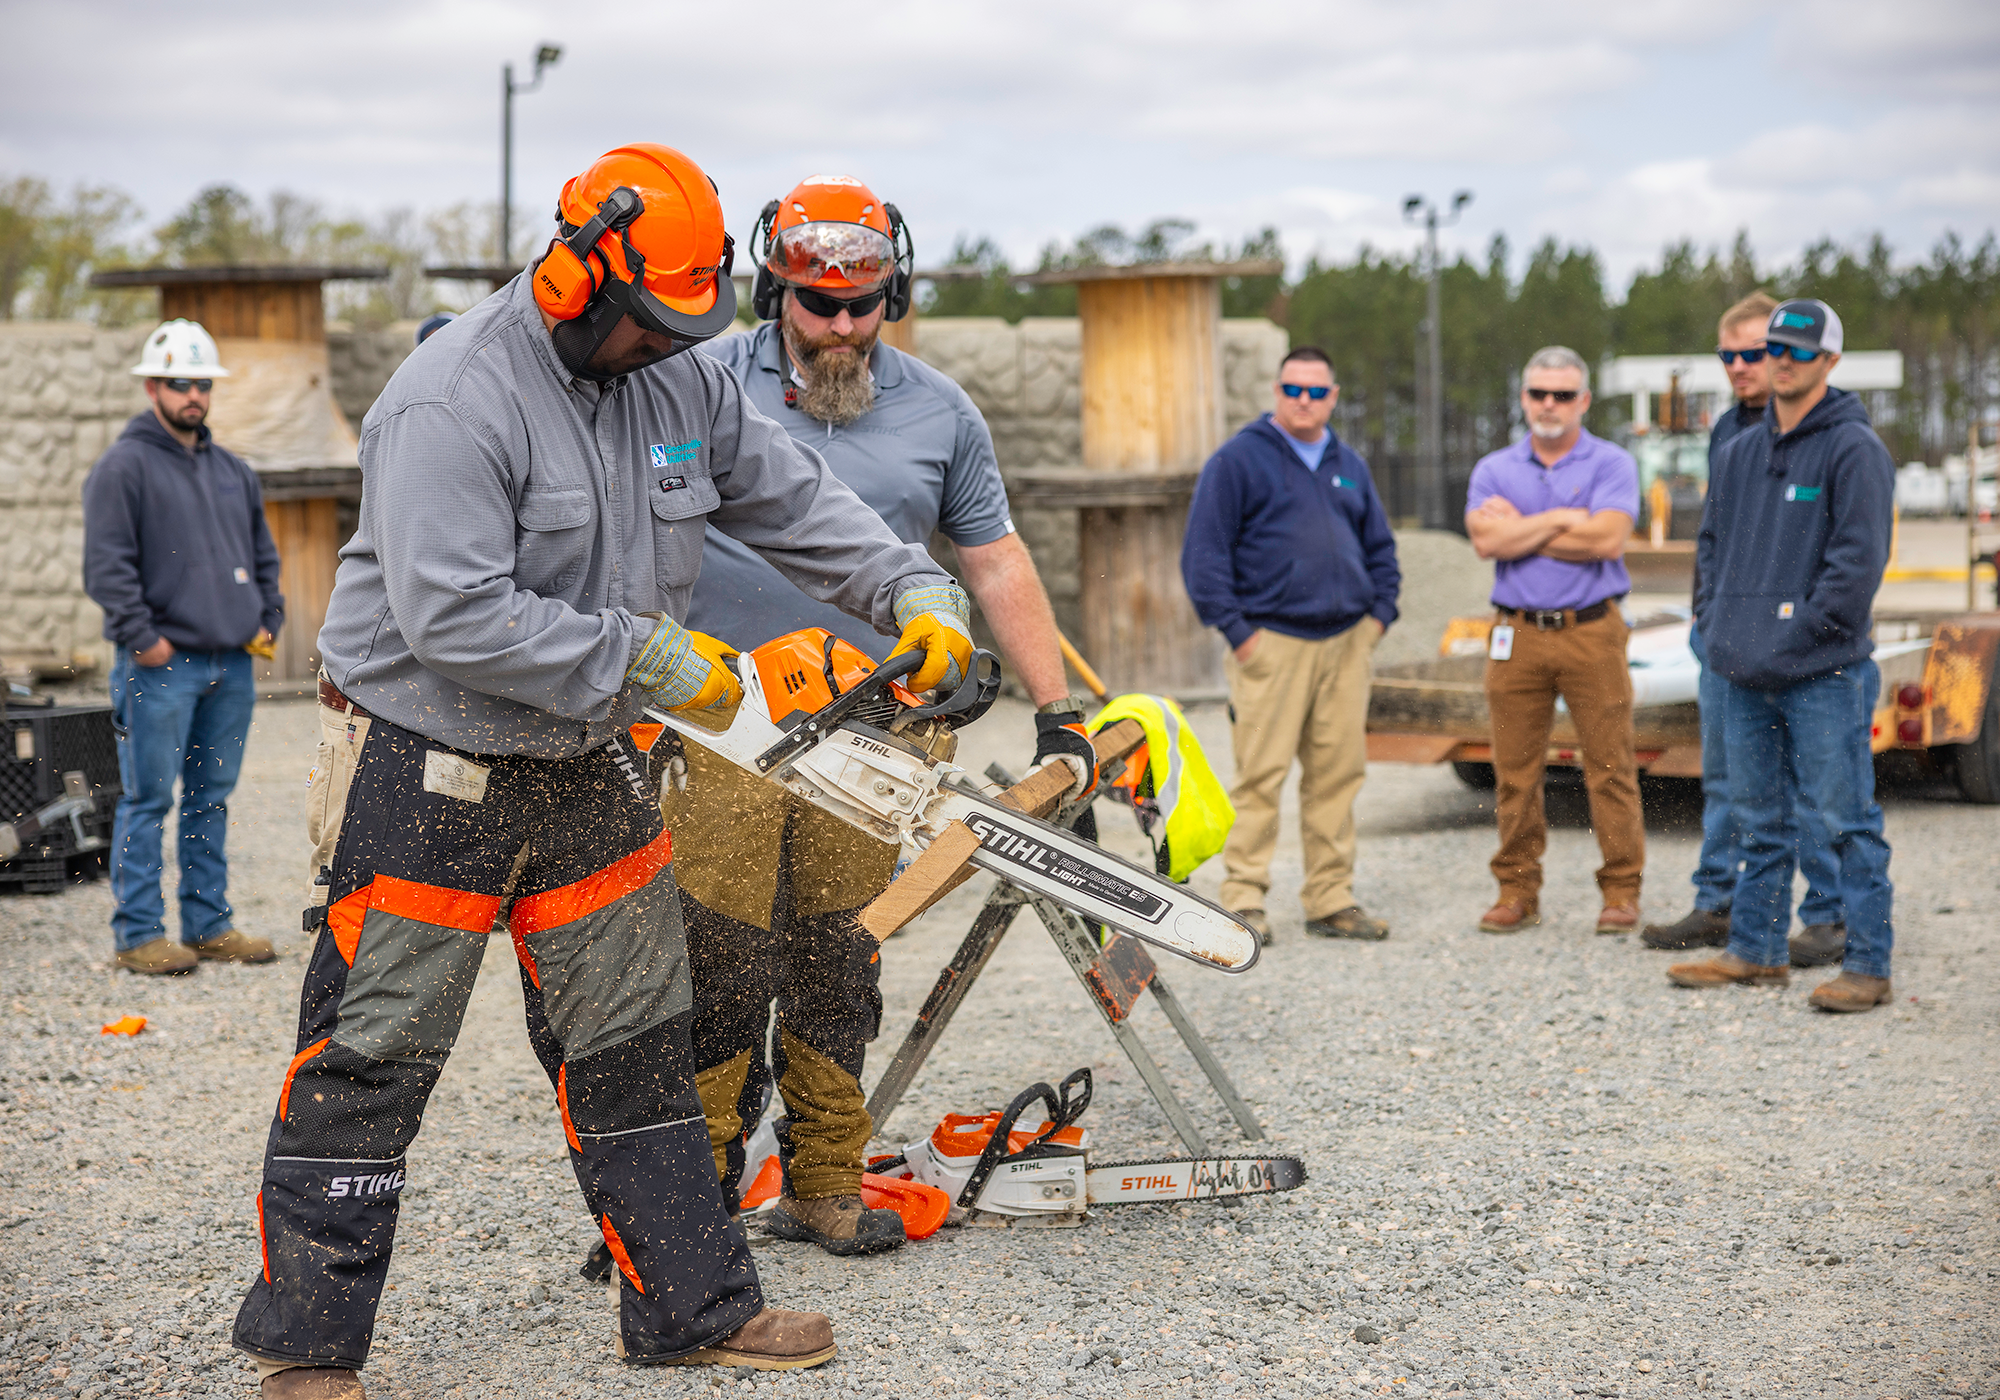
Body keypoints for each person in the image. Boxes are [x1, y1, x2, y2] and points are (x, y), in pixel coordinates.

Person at [231, 144, 975, 1398]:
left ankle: (689, 1307)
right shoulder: (450, 397)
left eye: (685, 324)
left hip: (585, 759)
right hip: (434, 761)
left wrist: (906, 581)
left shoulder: (676, 375)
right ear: (581, 278)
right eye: (645, 321)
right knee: (375, 1049)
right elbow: (452, 614)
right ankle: (307, 1347)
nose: (663, 347)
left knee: (637, 1034)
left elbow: (788, 494)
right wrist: (650, 656)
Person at [677, 174, 1094, 1257]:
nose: (841, 328)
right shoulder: (698, 386)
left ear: (891, 296)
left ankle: (821, 1176)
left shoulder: (939, 410)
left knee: (838, 955)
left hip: (881, 730)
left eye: (863, 307)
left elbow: (992, 558)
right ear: (775, 292)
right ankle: (686, 1203)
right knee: (714, 961)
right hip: (728, 719)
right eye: (818, 306)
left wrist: (1061, 712)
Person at [1670, 299, 1896, 1012]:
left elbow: (1855, 568)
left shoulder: (1854, 449)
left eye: (1799, 352)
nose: (1781, 362)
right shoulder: (1737, 452)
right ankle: (1756, 952)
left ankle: (1867, 963)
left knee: (1844, 820)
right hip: (1741, 672)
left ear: (1830, 361)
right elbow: (1711, 550)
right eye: (1774, 350)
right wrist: (1718, 629)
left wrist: (1794, 642)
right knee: (1756, 821)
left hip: (1822, 674)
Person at [1643, 292, 1846, 961]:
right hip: (1728, 640)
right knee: (1730, 779)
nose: (1741, 366)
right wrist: (1709, 617)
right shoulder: (1728, 432)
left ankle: (1828, 915)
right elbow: (1713, 537)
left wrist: (1811, 628)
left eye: (1756, 352)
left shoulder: (1836, 437)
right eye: (1727, 355)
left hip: (1806, 646)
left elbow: (1849, 550)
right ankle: (1720, 904)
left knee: (1818, 784)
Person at [82, 320, 282, 976]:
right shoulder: (123, 467)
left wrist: (269, 618)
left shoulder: (233, 471)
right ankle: (139, 935)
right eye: (179, 382)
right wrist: (143, 639)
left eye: (202, 383)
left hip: (231, 665)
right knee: (148, 799)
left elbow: (262, 554)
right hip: (163, 668)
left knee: (210, 799)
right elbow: (106, 568)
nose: (193, 393)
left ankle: (208, 926)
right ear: (152, 386)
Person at [1182, 346, 1400, 943]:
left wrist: (1378, 618)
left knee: (1337, 777)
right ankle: (1245, 901)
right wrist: (1240, 636)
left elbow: (1380, 549)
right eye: (1292, 389)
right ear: (1277, 392)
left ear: (1333, 397)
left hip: (1346, 645)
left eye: (1316, 391)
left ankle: (1331, 899)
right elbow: (1204, 557)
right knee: (1260, 777)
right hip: (1270, 644)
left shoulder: (1348, 463)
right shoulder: (1238, 462)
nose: (1304, 401)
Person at [1464, 346, 1643, 935]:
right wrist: (1566, 518)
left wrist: (1521, 526)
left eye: (1563, 395)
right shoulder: (1493, 468)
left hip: (1591, 630)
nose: (1549, 405)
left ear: (1583, 401)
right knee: (1514, 770)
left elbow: (1607, 541)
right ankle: (1517, 890)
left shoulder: (1613, 462)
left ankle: (1620, 891)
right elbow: (1487, 543)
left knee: (1610, 765)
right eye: (1539, 393)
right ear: (1523, 398)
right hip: (1515, 633)